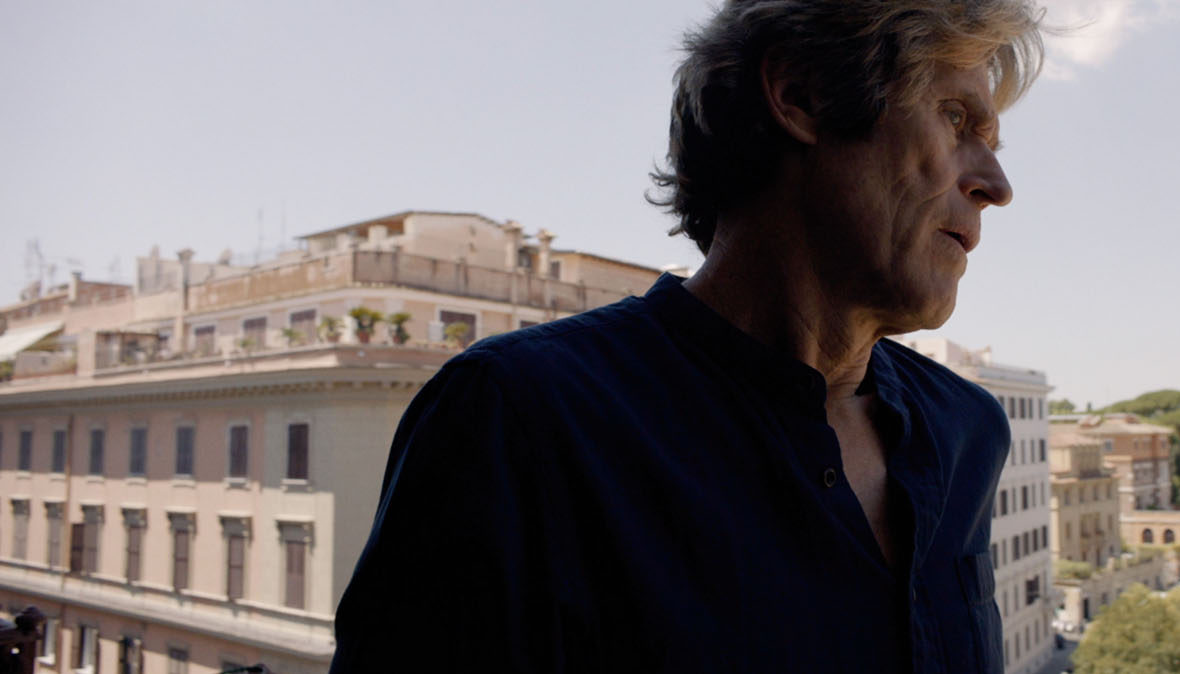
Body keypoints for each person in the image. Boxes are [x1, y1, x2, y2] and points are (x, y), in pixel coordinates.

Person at [330, 1, 1044, 671]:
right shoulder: (518, 420)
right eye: (957, 119)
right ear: (801, 96)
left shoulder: (966, 430)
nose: (998, 184)